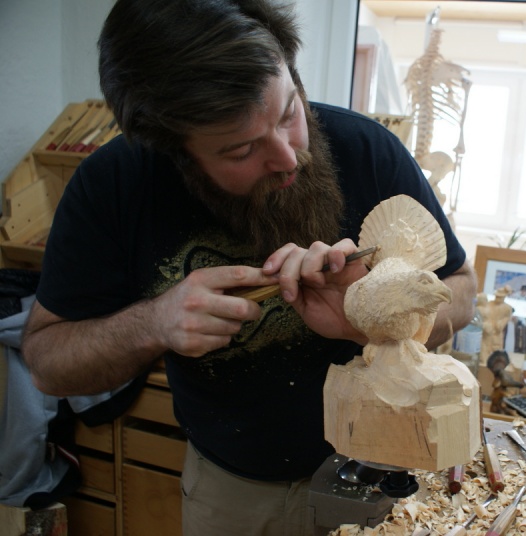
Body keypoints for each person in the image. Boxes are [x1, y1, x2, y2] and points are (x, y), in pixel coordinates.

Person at [21, 1, 476, 534]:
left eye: (288, 113)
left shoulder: (366, 149)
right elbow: (47, 362)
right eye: (241, 150)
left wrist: (376, 317)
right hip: (230, 490)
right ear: (176, 152)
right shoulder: (114, 186)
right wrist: (155, 324)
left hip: (388, 478)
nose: (288, 156)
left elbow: (462, 290)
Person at [476, 286, 513, 364]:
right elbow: (484, 315)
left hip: (497, 331)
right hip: (488, 330)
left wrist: (501, 323)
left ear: (504, 297)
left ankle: (495, 362)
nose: (498, 298)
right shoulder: (489, 304)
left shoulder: (507, 308)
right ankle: (484, 360)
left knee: (496, 347)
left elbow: (506, 318)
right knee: (485, 346)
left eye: (500, 297)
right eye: (497, 296)